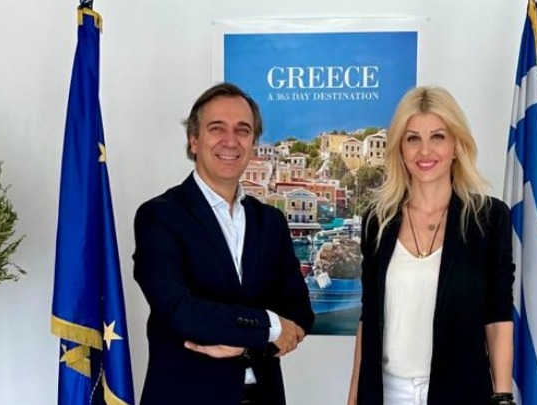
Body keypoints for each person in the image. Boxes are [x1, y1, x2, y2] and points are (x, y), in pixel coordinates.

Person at [133, 82, 314, 405]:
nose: (230, 141)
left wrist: (243, 343)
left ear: (253, 144)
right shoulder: (159, 217)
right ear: (194, 140)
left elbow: (299, 313)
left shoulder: (270, 222)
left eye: (243, 130)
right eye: (217, 128)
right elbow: (181, 312)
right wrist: (270, 325)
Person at [347, 86, 516, 405]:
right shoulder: (378, 221)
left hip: (462, 394)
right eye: (413, 138)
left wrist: (503, 397)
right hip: (387, 393)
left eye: (438, 136)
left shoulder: (489, 218)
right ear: (400, 148)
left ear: (456, 145)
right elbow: (368, 319)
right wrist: (353, 398)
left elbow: (498, 318)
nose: (425, 151)